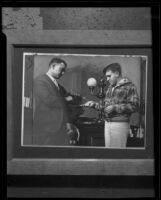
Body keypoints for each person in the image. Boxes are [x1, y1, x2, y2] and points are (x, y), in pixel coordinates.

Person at [84, 63, 139, 148]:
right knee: (109, 154)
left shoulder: (130, 86)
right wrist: (94, 105)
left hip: (119, 125)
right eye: (106, 76)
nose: (107, 79)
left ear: (117, 73)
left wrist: (115, 108)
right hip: (107, 124)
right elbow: (106, 107)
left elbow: (135, 106)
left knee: (118, 155)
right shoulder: (110, 88)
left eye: (109, 76)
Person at [33, 57, 80, 146]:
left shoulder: (58, 85)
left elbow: (67, 98)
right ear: (53, 66)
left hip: (59, 127)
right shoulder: (40, 80)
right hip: (47, 126)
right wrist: (66, 99)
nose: (62, 73)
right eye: (61, 70)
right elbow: (48, 100)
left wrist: (74, 97)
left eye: (64, 71)